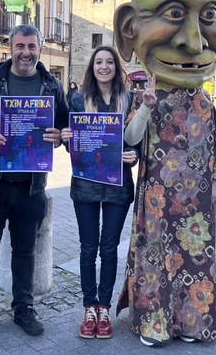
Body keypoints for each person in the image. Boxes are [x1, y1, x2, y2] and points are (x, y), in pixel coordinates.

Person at [114, 0, 216, 347]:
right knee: (156, 262)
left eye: (210, 18)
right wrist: (146, 109)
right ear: (129, 29)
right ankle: (153, 324)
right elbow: (130, 139)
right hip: (156, 197)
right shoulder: (145, 95)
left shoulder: (204, 102)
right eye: (174, 14)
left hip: (198, 201)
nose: (193, 42)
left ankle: (192, 323)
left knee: (194, 263)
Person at [0, 24, 68, 342]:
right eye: (20, 46)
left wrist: (58, 137)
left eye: (31, 47)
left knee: (25, 250)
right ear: (11, 48)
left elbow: (63, 124)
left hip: (31, 186)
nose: (26, 52)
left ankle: (23, 308)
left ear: (39, 48)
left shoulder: (52, 86)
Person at [60, 46, 138, 340]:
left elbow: (137, 140)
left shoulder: (129, 99)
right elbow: (74, 144)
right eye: (98, 62)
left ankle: (104, 307)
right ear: (92, 68)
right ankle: (88, 307)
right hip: (86, 187)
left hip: (118, 187)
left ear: (117, 68)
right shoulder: (79, 100)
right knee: (88, 248)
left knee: (108, 249)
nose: (103, 67)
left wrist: (133, 155)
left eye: (109, 62)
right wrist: (67, 138)